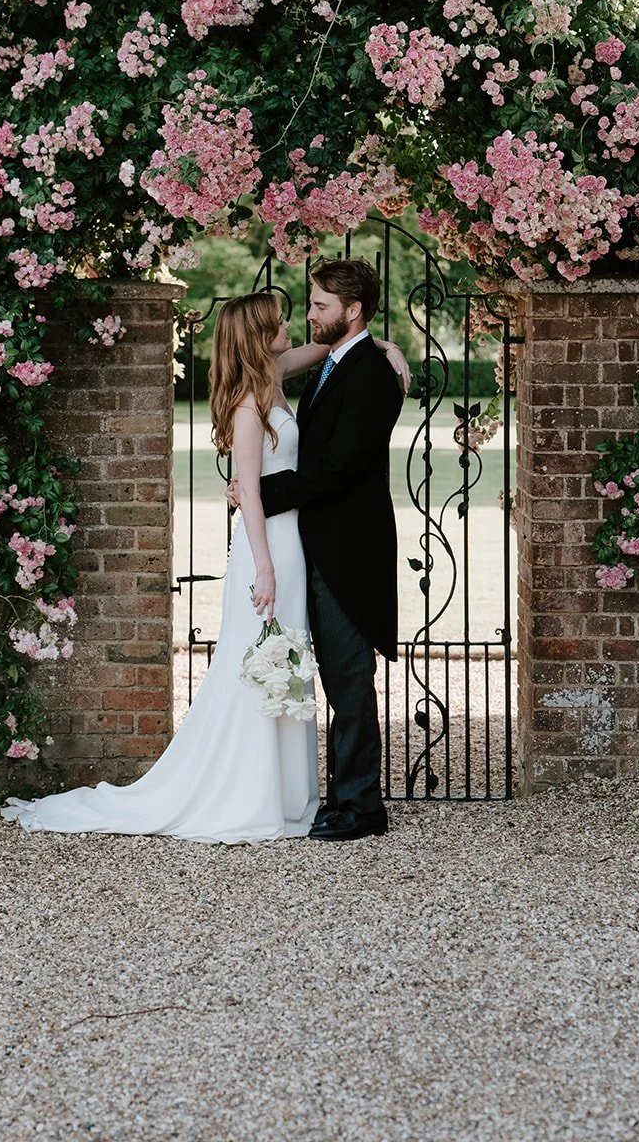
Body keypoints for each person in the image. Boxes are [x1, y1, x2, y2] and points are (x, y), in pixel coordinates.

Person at [2, 291, 405, 843]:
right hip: (270, 550)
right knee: (256, 667)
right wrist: (263, 568)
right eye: (282, 320)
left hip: (296, 542)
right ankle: (250, 795)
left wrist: (385, 345)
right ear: (262, 334)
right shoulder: (247, 404)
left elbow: (337, 349)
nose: (296, 324)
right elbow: (254, 500)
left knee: (285, 667)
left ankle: (293, 798)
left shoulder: (277, 373)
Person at [239, 259, 406, 843]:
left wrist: (262, 490)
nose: (310, 315)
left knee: (350, 677)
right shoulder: (338, 362)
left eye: (319, 306)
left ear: (352, 310)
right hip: (315, 546)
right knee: (334, 677)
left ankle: (361, 806)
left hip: (348, 551)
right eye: (310, 306)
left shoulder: (371, 376)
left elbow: (335, 470)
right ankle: (340, 796)